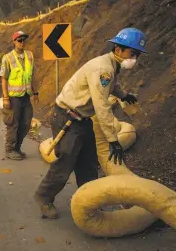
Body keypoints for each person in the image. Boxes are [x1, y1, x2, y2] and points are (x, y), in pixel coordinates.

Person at [33, 28, 147, 219]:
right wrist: (113, 140)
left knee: (88, 164)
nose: (134, 58)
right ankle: (44, 197)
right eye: (132, 53)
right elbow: (101, 106)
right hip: (67, 118)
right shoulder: (103, 69)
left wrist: (124, 95)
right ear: (118, 50)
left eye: (137, 55)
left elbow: (112, 86)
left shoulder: (111, 66)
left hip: (81, 119)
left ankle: (89, 201)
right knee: (65, 162)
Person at [0, 31, 39, 161]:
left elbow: (32, 76)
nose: (22, 43)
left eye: (24, 40)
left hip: (26, 97)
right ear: (14, 42)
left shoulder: (30, 56)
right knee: (13, 124)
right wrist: (5, 98)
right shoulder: (8, 58)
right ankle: (9, 149)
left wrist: (36, 92)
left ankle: (17, 148)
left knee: (26, 123)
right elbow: (4, 79)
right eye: (19, 40)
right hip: (13, 98)